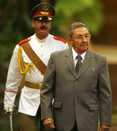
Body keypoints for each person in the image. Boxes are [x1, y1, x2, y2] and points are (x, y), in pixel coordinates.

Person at [3, 2, 68, 131]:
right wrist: (8, 103)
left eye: (47, 21)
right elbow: (13, 78)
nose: (43, 24)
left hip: (53, 101)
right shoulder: (22, 47)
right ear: (33, 23)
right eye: (39, 21)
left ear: (50, 23)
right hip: (29, 100)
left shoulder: (62, 45)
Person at [41, 22, 112, 131]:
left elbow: (105, 94)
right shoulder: (56, 58)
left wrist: (105, 121)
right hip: (61, 118)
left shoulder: (100, 61)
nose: (84, 40)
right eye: (79, 37)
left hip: (88, 119)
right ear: (71, 40)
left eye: (87, 36)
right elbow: (46, 90)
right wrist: (47, 116)